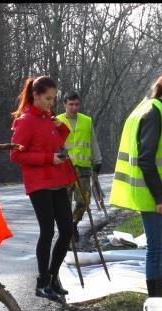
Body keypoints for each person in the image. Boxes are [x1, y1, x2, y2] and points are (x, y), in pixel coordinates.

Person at [109, 71, 162, 299]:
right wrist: (160, 197)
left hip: (160, 196)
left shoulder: (154, 110)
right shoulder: (155, 113)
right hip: (154, 196)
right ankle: (154, 304)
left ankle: (159, 299)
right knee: (158, 248)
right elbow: (146, 158)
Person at [10, 75, 75, 302]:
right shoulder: (26, 120)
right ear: (35, 95)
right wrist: (48, 158)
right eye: (48, 98)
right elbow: (16, 154)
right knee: (47, 231)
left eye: (53, 99)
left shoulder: (49, 117)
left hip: (57, 180)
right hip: (39, 182)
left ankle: (53, 276)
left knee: (67, 229)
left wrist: (60, 126)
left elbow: (58, 141)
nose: (51, 102)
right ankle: (42, 282)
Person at [55, 92, 104, 241]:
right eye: (71, 104)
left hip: (83, 169)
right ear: (64, 104)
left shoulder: (86, 121)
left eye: (76, 104)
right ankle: (67, 232)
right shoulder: (57, 121)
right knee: (65, 203)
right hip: (64, 168)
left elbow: (93, 141)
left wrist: (98, 160)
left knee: (84, 201)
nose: (74, 107)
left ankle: (73, 224)